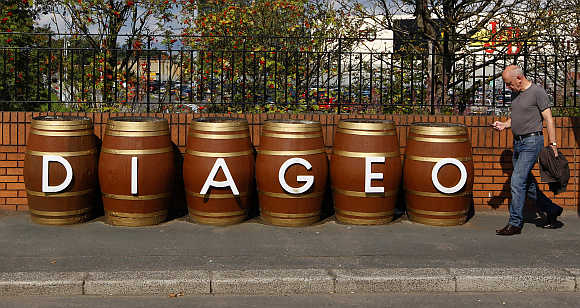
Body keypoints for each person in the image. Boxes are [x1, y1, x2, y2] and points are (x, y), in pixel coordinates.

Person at [491, 65, 563, 236]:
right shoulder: (516, 93)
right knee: (527, 183)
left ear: (519, 78)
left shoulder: (537, 92)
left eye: (509, 83)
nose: (508, 87)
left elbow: (549, 119)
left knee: (516, 180)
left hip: (532, 142)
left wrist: (553, 143)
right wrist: (504, 124)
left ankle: (515, 223)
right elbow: (515, 117)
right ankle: (551, 209)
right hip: (518, 143)